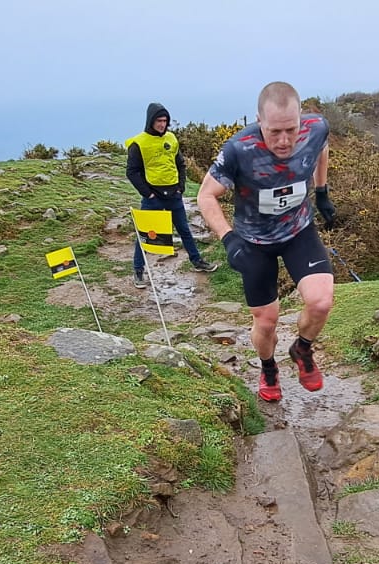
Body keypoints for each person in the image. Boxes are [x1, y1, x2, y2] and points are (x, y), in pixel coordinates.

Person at [197, 82, 338, 401]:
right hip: (254, 243)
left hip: (298, 231)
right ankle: (268, 367)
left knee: (321, 302)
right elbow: (205, 195)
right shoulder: (239, 149)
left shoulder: (316, 129)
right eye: (274, 131)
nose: (284, 140)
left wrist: (322, 190)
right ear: (259, 121)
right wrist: (229, 239)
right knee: (267, 320)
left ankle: (302, 351)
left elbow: (321, 147)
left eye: (291, 129)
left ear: (301, 119)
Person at [125, 102, 217, 288]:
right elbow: (132, 172)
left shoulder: (172, 139)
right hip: (153, 196)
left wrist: (181, 187)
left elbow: (180, 164)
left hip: (173, 194)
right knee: (146, 234)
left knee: (184, 230)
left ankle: (197, 261)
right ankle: (138, 271)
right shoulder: (138, 144)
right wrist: (148, 194)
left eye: (165, 121)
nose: (162, 124)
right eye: (159, 120)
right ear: (150, 121)